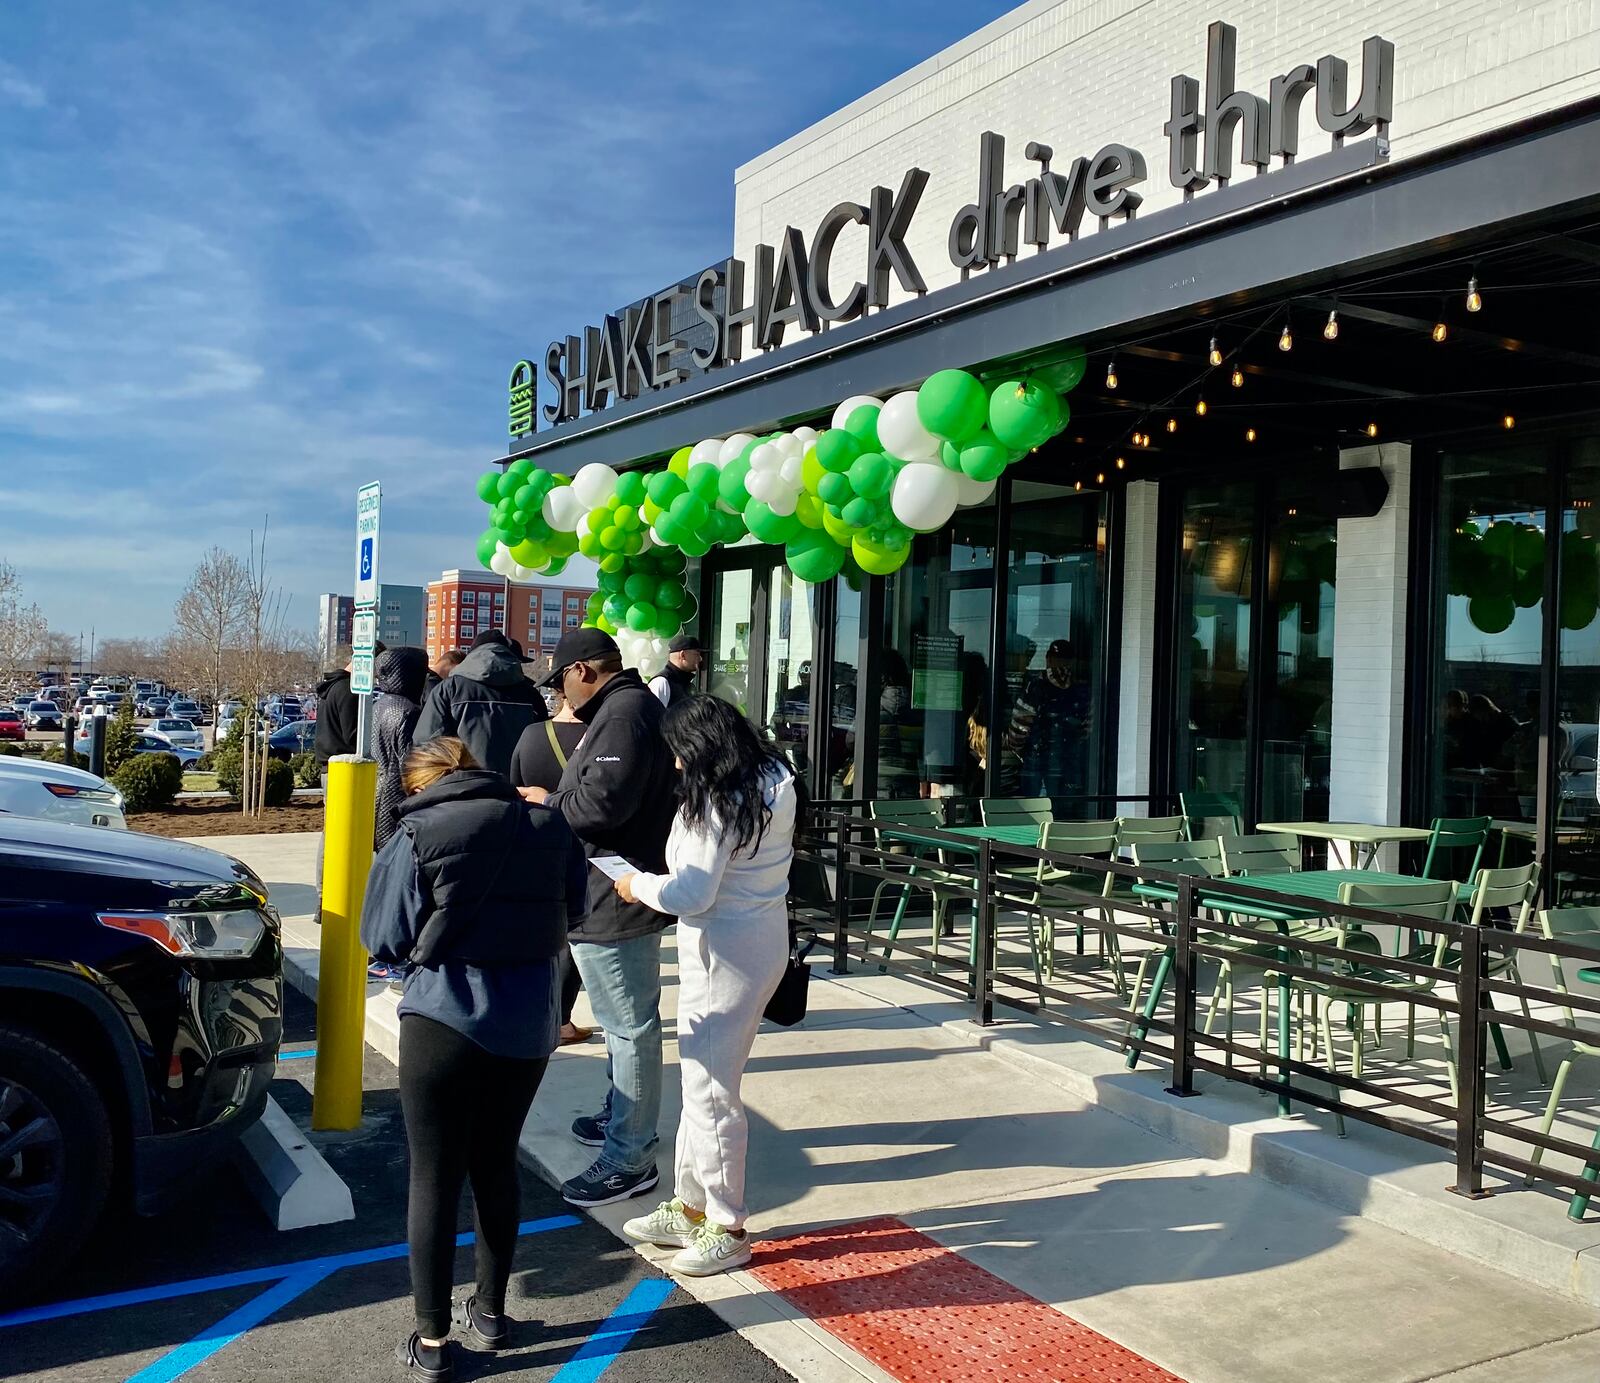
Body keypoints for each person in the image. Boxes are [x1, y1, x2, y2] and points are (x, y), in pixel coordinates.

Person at [361, 737, 586, 1383]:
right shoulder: (548, 823)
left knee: (433, 1177)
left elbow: (382, 934)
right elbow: (573, 906)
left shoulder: (418, 831)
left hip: (442, 1017)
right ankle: (489, 1312)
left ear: (421, 783)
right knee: (496, 1162)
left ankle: (432, 1341)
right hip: (526, 1019)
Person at [617, 696, 795, 1276]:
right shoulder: (774, 775)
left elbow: (691, 893)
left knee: (711, 1090)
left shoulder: (713, 802)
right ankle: (692, 1205)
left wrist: (636, 885)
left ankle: (726, 1222)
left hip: (720, 952)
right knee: (704, 1080)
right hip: (761, 939)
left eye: (676, 753)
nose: (672, 765)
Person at [522, 628, 677, 1209]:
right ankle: (625, 1121)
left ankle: (629, 1157)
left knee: (630, 1026)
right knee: (622, 1023)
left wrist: (546, 801)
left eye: (560, 678)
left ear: (583, 670)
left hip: (616, 892)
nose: (559, 693)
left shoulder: (624, 715)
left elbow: (598, 805)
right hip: (609, 888)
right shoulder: (621, 712)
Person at [510, 685, 595, 1047]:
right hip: (583, 843)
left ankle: (535, 1012)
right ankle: (561, 1019)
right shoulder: (599, 738)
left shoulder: (532, 734)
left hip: (536, 841)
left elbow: (513, 786)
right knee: (574, 929)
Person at [369, 646, 430, 984]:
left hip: (378, 792)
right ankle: (394, 952)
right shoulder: (408, 711)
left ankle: (383, 950)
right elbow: (411, 763)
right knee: (404, 877)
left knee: (385, 871)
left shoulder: (379, 707)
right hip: (396, 793)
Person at [414, 629, 546, 778]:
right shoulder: (531, 694)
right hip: (516, 792)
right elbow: (541, 750)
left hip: (462, 790)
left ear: (472, 655)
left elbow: (427, 746)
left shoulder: (449, 689)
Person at [314, 641, 386, 768]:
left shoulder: (334, 685)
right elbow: (353, 736)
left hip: (331, 765)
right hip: (345, 769)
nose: (377, 675)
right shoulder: (348, 689)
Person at [647, 633, 704, 707]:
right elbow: (654, 716)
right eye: (696, 654)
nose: (700, 658)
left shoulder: (687, 683)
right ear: (682, 655)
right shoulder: (661, 682)